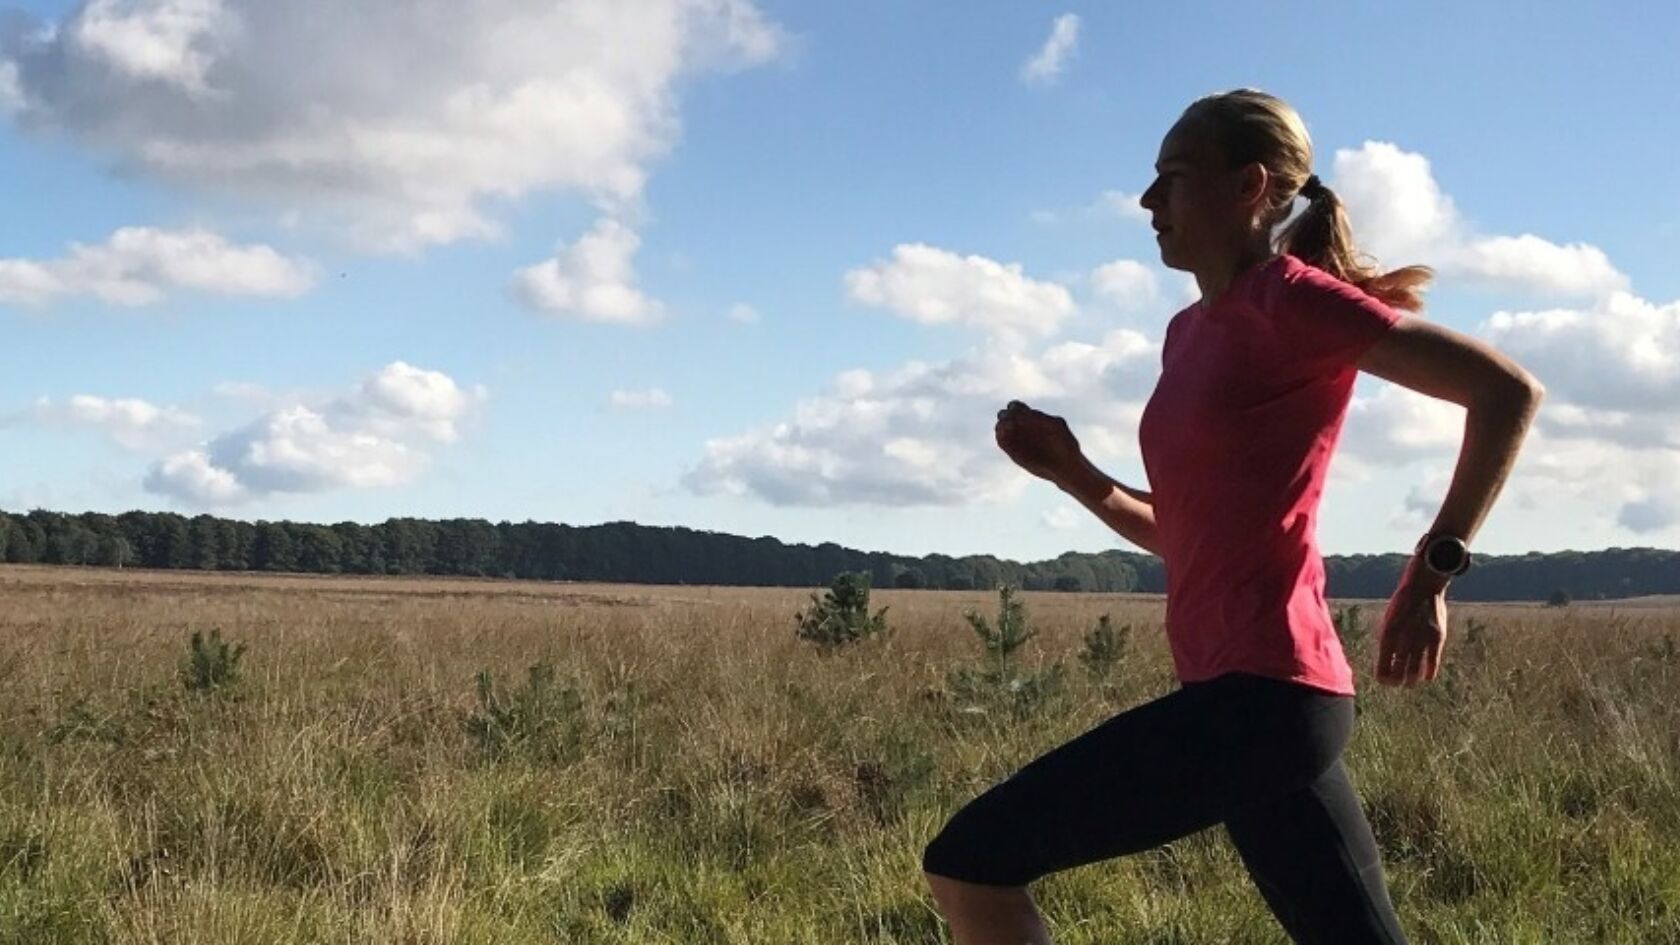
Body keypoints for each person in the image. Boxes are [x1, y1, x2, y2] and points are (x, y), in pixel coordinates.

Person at [920, 88, 1545, 944]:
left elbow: (1505, 390)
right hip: (1249, 696)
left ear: (1249, 187)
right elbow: (1183, 537)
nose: (1147, 203)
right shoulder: (1190, 332)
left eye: (1170, 179)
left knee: (971, 860)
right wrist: (1074, 474)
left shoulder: (1291, 303)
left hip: (1264, 701)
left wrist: (1431, 572)